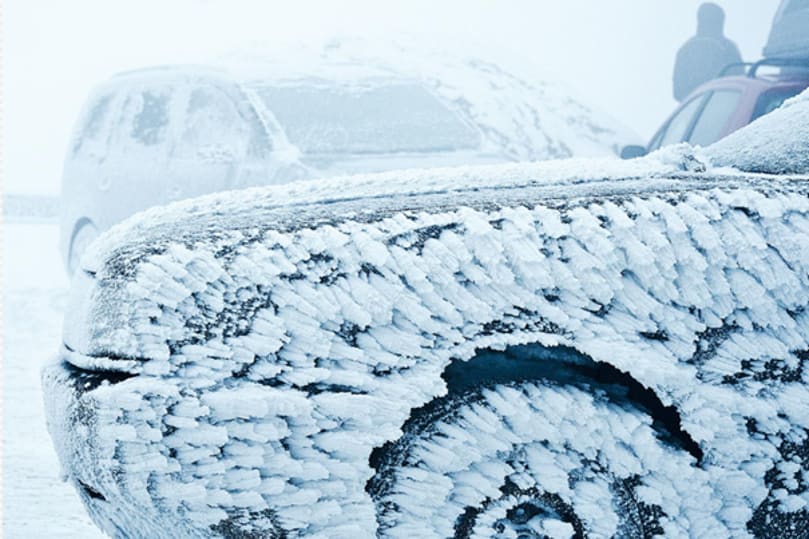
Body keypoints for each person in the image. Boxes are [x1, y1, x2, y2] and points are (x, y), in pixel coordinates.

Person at [673, 3, 743, 102]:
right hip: (724, 109)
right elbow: (740, 83)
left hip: (699, 111)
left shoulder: (685, 50)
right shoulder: (729, 48)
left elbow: (678, 92)